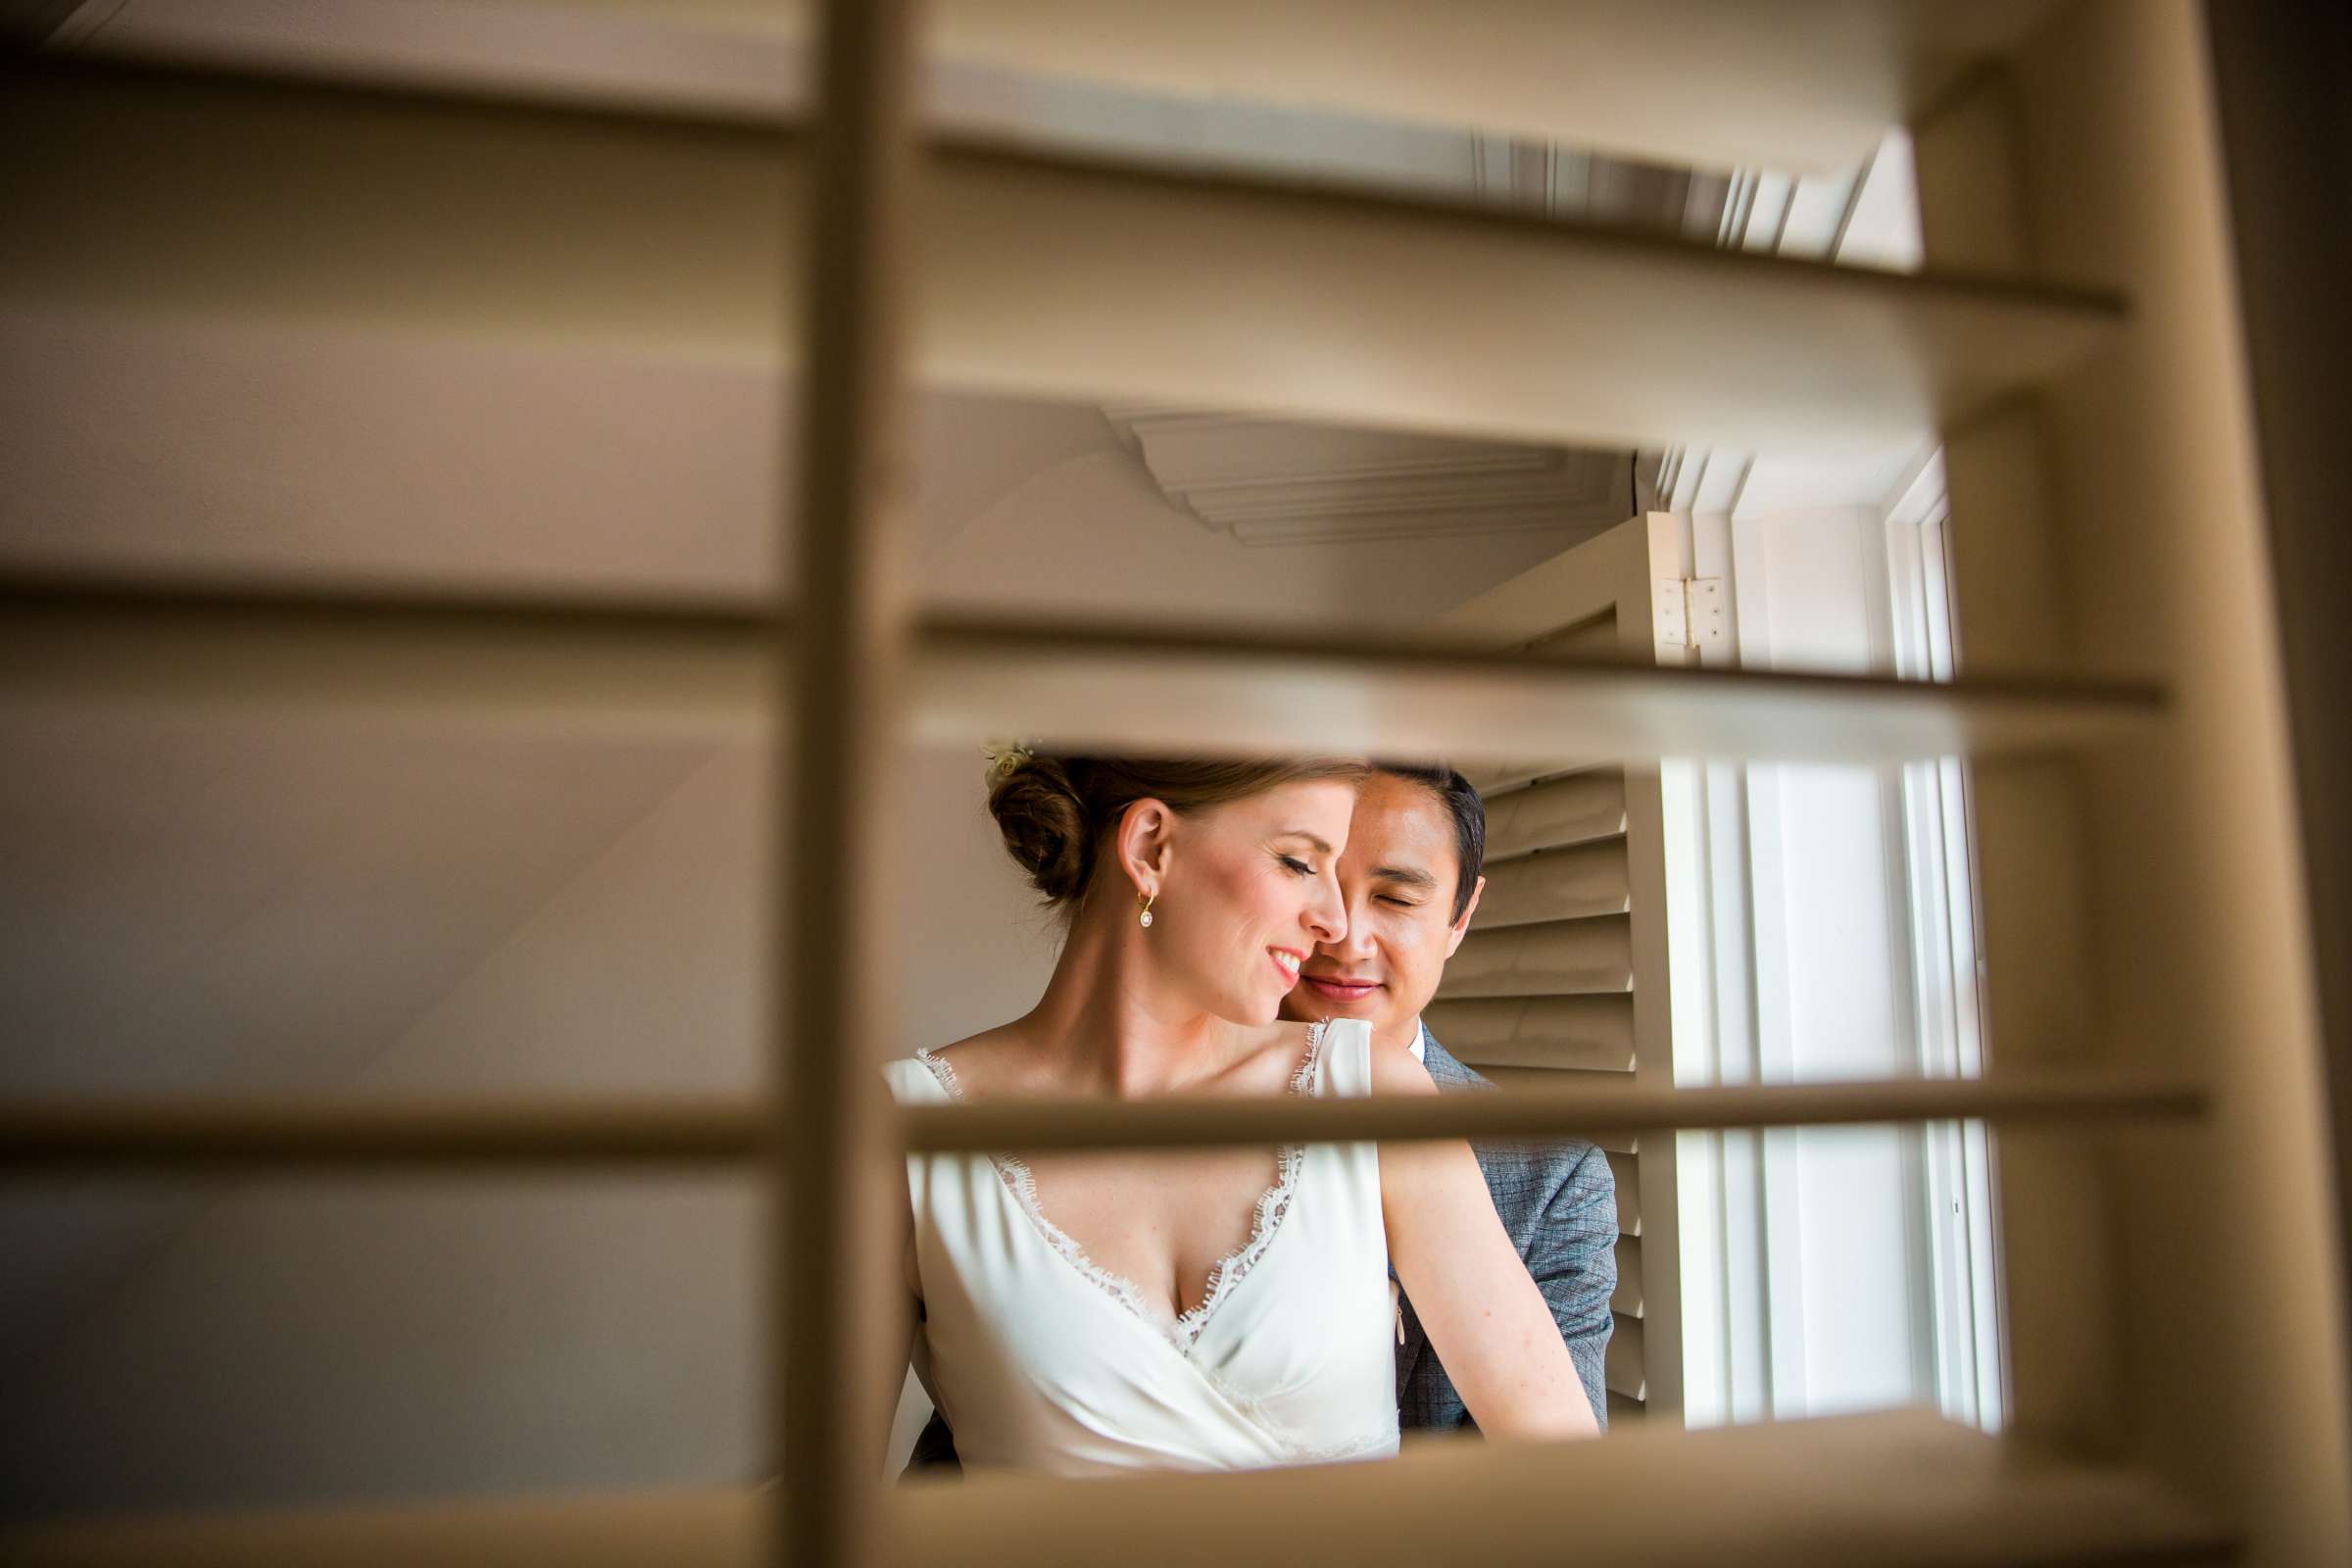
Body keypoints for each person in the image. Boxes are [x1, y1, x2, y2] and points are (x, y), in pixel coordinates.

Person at [888, 753, 1597, 1477]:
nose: (1332, 923)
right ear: (1151, 847)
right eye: (1299, 862)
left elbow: (1571, 1487)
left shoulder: (1374, 1095)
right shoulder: (902, 1131)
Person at [1281, 764, 1616, 1430]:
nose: (1346, 939)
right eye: (1309, 877)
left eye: (1396, 900)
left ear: (1460, 917)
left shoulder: (1551, 1174)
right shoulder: (1156, 1113)